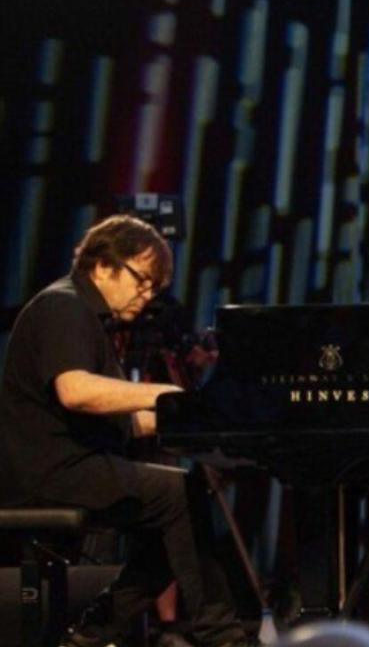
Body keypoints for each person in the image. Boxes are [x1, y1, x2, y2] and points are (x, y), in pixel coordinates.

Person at [0, 215, 251, 647]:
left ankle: (92, 635)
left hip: (69, 465)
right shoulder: (62, 305)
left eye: (155, 287)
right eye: (141, 280)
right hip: (44, 473)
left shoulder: (87, 316)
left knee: (177, 507)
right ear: (103, 266)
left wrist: (203, 420)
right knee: (179, 495)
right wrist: (163, 393)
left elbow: (120, 417)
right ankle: (224, 638)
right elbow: (76, 391)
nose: (147, 294)